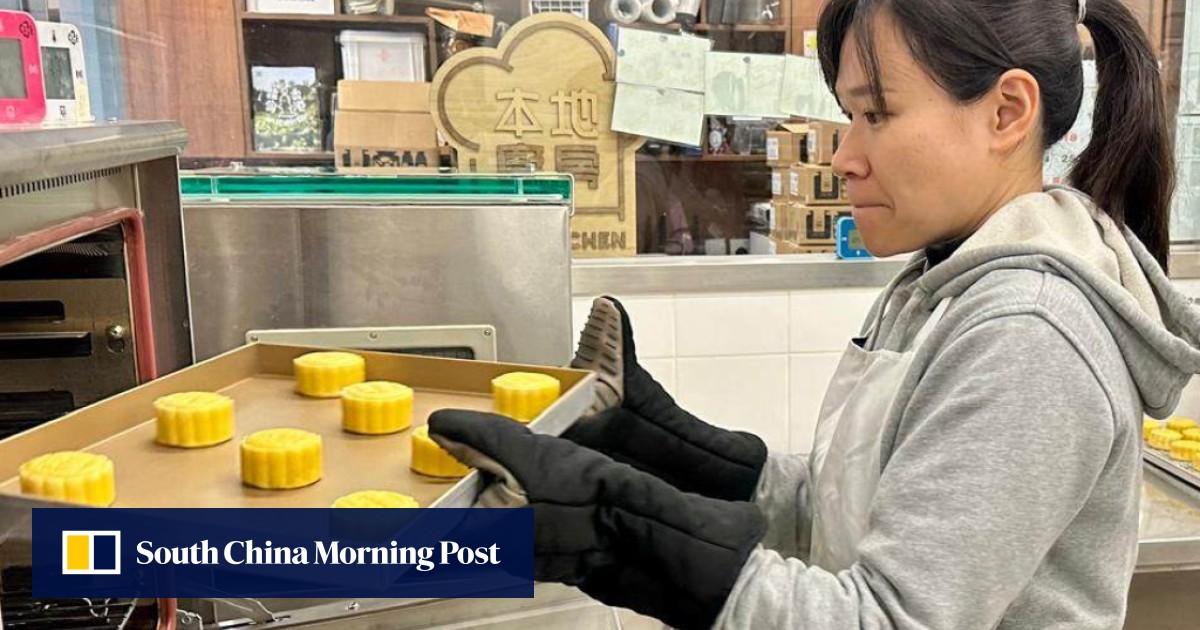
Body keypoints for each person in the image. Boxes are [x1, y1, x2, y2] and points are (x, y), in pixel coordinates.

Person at [428, 0, 1200, 627]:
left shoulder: (1030, 334)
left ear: (1006, 112)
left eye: (878, 113)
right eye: (848, 116)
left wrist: (616, 534)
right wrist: (683, 452)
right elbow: (844, 512)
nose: (843, 156)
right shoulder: (939, 285)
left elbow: (883, 620)